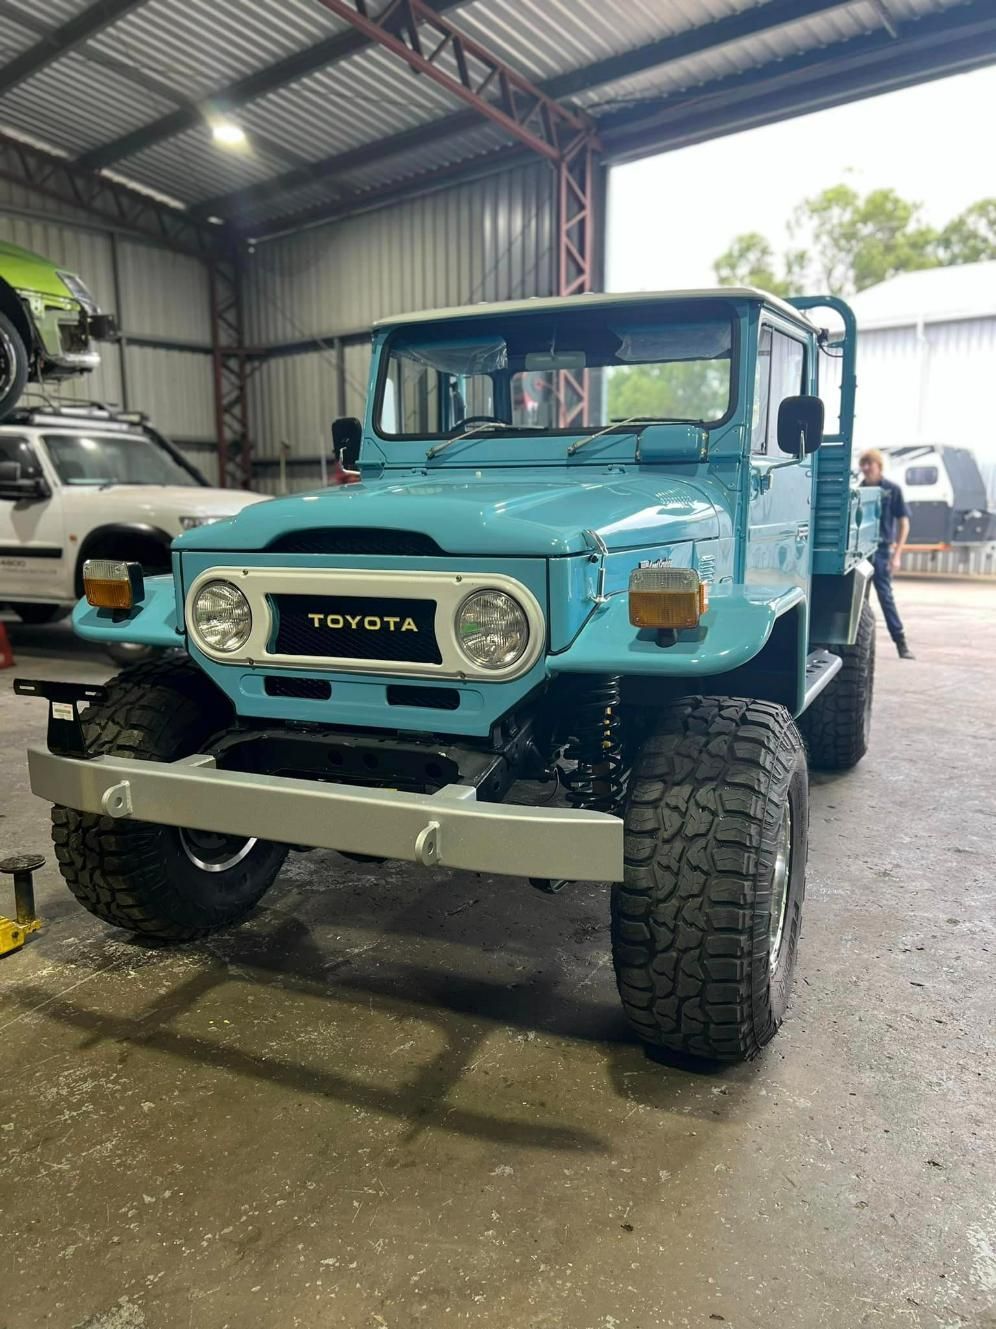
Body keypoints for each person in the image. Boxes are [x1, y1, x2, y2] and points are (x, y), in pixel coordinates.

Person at [858, 448, 914, 659]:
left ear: (878, 465)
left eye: (869, 464)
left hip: (881, 551)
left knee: (885, 597)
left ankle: (901, 642)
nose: (865, 468)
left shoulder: (892, 490)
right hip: (861, 552)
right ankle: (860, 646)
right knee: (859, 601)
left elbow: (904, 523)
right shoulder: (859, 491)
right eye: (863, 464)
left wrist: (897, 554)